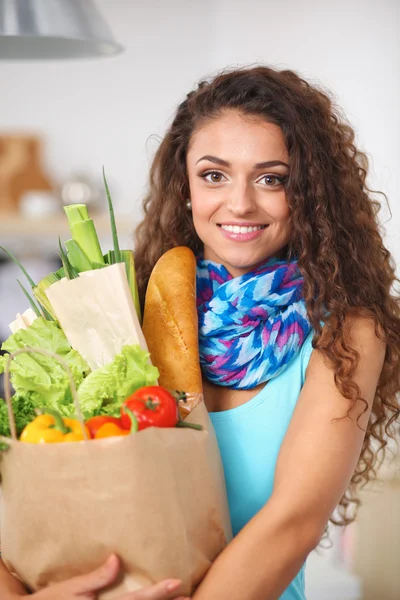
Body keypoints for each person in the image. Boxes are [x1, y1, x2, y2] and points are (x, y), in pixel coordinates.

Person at [1, 66, 399, 600]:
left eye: (271, 178)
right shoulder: (121, 310)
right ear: (185, 186)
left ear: (309, 194)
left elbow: (293, 524)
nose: (239, 204)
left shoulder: (346, 335)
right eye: (214, 175)